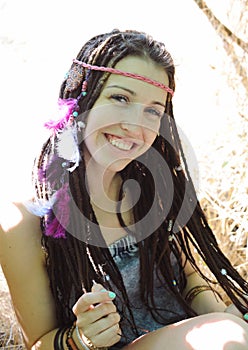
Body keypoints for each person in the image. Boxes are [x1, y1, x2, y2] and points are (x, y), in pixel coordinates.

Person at [0, 29, 248, 350]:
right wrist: (80, 339)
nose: (136, 125)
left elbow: (191, 286)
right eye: (120, 98)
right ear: (80, 99)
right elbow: (39, 343)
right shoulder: (22, 221)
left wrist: (232, 322)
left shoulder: (154, 188)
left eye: (152, 110)